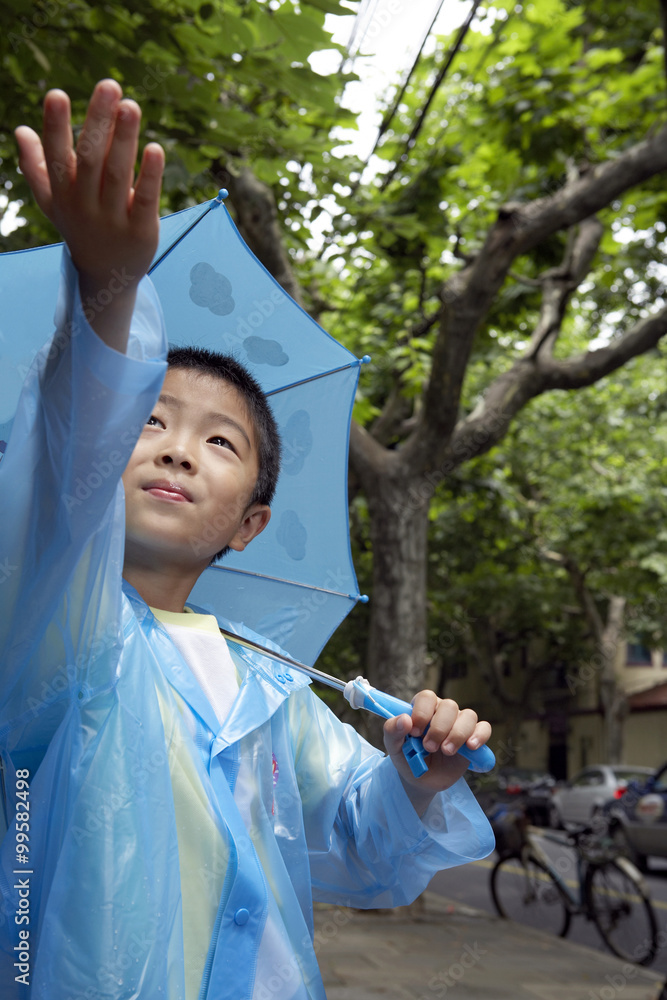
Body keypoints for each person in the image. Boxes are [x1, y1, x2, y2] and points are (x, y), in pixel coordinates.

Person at [0, 80, 494, 1000]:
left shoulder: (271, 682)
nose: (179, 448)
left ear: (249, 524)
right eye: (145, 420)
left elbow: (353, 839)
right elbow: (64, 459)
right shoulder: (52, 615)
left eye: (220, 442)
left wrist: (417, 779)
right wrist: (107, 287)